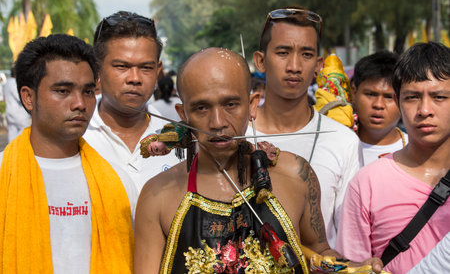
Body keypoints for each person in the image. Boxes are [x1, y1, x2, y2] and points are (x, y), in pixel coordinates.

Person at [134, 47, 383, 273]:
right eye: (201, 108)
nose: (218, 122)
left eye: (231, 104)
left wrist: (354, 269)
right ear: (183, 114)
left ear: (252, 105)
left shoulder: (296, 174)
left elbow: (318, 254)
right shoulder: (158, 195)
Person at [0, 34, 136, 273]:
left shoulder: (117, 181)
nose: (80, 104)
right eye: (63, 91)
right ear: (28, 97)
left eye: (87, 91)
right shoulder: (3, 173)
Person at [250, 7, 362, 248]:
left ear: (318, 65)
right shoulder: (232, 136)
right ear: (260, 60)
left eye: (307, 54)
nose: (294, 66)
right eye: (283, 52)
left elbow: (348, 237)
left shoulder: (342, 140)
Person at [336, 42, 450, 274]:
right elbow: (351, 267)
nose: (424, 110)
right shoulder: (367, 183)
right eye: (412, 98)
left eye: (439, 97)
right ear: (398, 101)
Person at [83, 11, 180, 191]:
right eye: (122, 66)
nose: (134, 78)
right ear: (97, 69)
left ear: (158, 71)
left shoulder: (177, 141)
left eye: (145, 67)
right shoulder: (75, 135)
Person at [352, 50, 408, 165]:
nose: (378, 105)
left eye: (388, 97)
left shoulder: (419, 150)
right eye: (371, 94)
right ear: (354, 93)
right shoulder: (337, 145)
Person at [3, 68, 31, 141]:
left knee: (12, 131)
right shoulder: (13, 83)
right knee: (25, 129)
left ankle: (11, 148)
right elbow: (20, 97)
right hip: (18, 113)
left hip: (10, 111)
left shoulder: (7, 82)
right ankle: (19, 146)